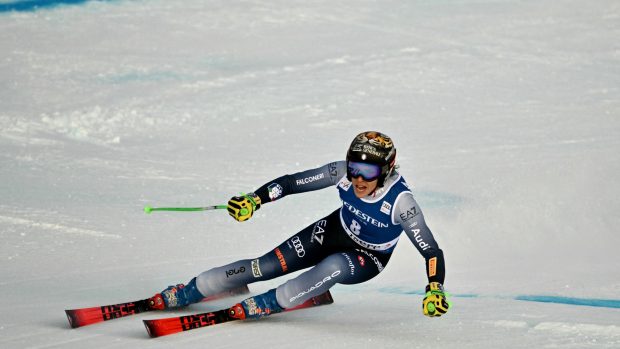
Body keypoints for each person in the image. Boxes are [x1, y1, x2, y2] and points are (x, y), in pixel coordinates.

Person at [148, 131, 450, 319]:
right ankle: (192, 290)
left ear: (385, 170)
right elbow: (293, 183)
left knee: (333, 266)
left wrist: (435, 287)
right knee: (264, 266)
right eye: (354, 168)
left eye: (367, 172)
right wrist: (255, 199)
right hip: (334, 230)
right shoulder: (341, 172)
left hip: (369, 257)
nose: (358, 179)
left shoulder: (402, 202)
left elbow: (431, 251)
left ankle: (274, 300)